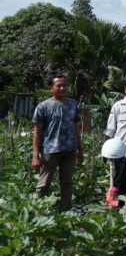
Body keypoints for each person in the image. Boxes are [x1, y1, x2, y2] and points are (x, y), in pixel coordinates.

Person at [31, 74, 83, 211]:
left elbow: (76, 128)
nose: (62, 88)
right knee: (44, 183)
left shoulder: (72, 104)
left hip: (70, 149)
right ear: (51, 88)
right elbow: (37, 132)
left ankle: (65, 213)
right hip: (50, 149)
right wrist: (35, 156)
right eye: (58, 85)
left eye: (64, 85)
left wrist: (80, 150)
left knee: (67, 183)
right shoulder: (43, 106)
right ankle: (39, 211)